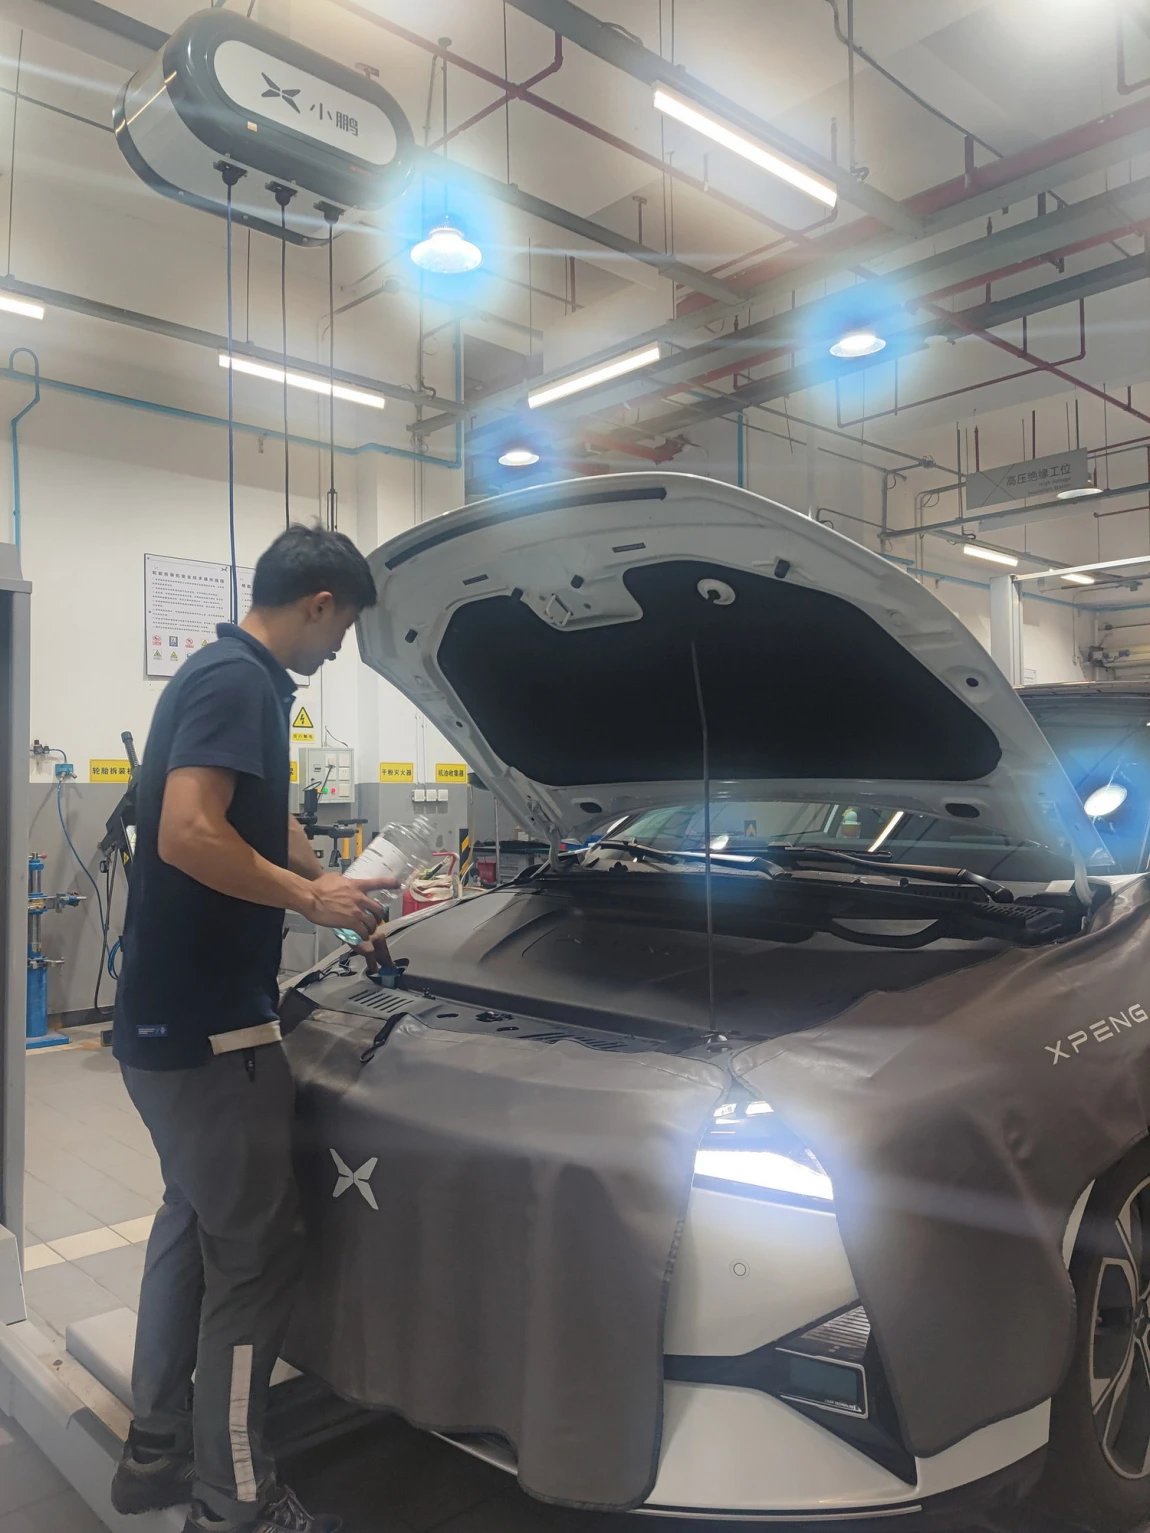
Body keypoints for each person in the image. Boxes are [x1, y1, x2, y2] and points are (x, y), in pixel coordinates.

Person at [110, 524, 392, 1533]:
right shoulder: (237, 679)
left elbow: (257, 819)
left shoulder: (233, 679)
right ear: (318, 603)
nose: (338, 649)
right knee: (255, 1256)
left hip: (167, 1024)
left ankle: (156, 1450)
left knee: (193, 1222)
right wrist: (309, 901)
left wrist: (332, 882)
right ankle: (234, 1499)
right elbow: (189, 831)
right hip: (211, 1036)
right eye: (343, 627)